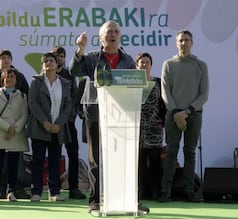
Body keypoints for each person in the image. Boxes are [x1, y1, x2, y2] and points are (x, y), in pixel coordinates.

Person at [69, 21, 150, 213]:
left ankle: (130, 200)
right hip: (96, 115)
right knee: (96, 161)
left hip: (121, 116)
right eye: (109, 32)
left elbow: (134, 87)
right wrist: (79, 49)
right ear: (101, 38)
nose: (113, 34)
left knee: (125, 160)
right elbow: (74, 71)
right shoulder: (90, 58)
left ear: (120, 36)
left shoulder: (128, 60)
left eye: (116, 31)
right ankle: (95, 201)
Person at [159, 30, 209, 203]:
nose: (183, 43)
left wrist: (186, 112)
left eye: (187, 40)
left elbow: (204, 94)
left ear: (192, 42)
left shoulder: (201, 65)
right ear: (176, 43)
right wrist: (175, 113)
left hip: (193, 115)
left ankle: (189, 191)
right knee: (171, 153)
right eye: (180, 40)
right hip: (172, 115)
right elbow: (165, 92)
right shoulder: (168, 64)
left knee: (189, 152)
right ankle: (166, 191)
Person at [0, 49, 30, 199]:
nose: (10, 78)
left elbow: (25, 114)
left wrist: (15, 128)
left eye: (8, 57)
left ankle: (12, 191)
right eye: (3, 58)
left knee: (15, 164)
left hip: (16, 133)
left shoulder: (22, 94)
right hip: (1, 132)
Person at [27, 52, 72, 202]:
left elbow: (68, 105)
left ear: (57, 63)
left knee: (54, 161)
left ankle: (54, 192)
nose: (48, 63)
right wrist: (44, 121)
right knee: (38, 160)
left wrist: (59, 123)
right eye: (45, 61)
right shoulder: (36, 81)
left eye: (51, 60)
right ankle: (36, 192)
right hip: (40, 127)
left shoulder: (64, 83)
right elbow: (32, 103)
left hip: (57, 129)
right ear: (42, 65)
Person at [50, 46, 86, 199]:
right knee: (54, 155)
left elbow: (75, 97)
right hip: (53, 123)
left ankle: (74, 188)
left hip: (68, 122)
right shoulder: (47, 75)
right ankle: (54, 189)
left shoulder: (70, 75)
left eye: (62, 56)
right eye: (57, 55)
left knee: (73, 154)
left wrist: (69, 117)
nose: (59, 58)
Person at [135, 52, 166, 200]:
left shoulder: (158, 82)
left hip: (155, 127)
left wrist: (163, 122)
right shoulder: (132, 82)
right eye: (141, 62)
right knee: (139, 162)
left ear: (151, 65)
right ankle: (141, 192)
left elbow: (164, 104)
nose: (144, 65)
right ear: (137, 65)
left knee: (155, 161)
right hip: (137, 128)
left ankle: (156, 190)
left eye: (147, 62)